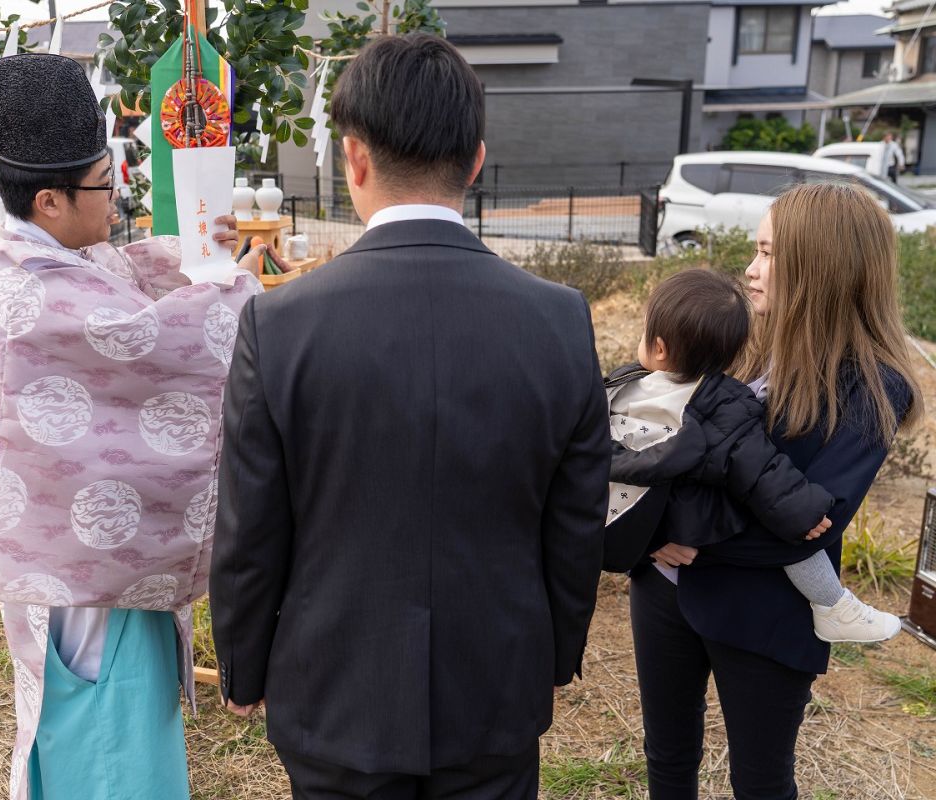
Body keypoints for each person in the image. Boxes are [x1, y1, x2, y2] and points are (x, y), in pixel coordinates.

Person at [209, 32, 610, 799]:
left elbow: (251, 530)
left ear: (353, 159)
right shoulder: (559, 320)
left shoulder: (281, 324)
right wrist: (554, 656)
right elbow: (575, 523)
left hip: (334, 690)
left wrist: (244, 664)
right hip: (496, 685)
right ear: (476, 160)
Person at [0, 53, 265, 800]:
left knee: (109, 742)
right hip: (91, 581)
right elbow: (158, 341)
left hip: (95, 561)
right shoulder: (33, 296)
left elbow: (127, 281)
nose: (117, 190)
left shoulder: (43, 259)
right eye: (103, 182)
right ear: (49, 200)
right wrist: (239, 291)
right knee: (112, 759)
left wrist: (213, 258)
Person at [628, 182, 922, 799]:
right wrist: (651, 538)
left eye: (767, 254)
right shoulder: (738, 344)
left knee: (760, 781)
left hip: (766, 615)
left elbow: (815, 525)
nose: (751, 271)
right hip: (664, 592)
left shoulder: (871, 387)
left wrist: (686, 540)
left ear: (823, 266)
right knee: (667, 758)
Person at [605, 268, 900, 643]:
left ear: (659, 348)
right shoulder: (721, 402)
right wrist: (802, 511)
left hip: (622, 513)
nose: (751, 268)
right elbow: (760, 468)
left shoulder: (623, 386)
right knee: (793, 540)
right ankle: (833, 605)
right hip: (692, 530)